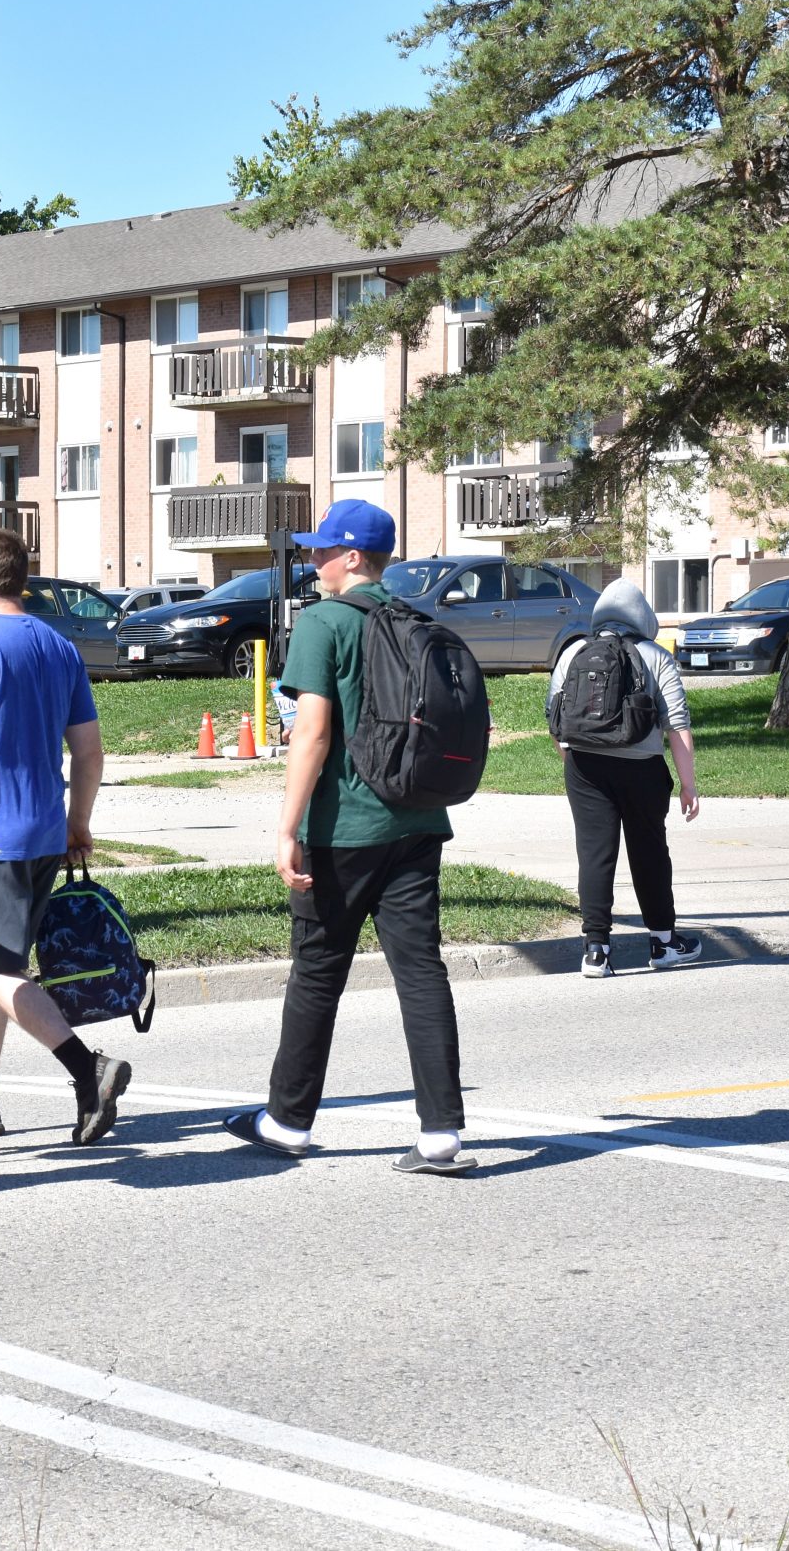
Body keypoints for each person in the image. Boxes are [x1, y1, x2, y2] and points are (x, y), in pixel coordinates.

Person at [224, 500, 475, 1175]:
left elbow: (310, 732)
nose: (313, 561)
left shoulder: (324, 622)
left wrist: (287, 827)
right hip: (418, 820)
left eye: (322, 550)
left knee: (317, 973)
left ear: (353, 557)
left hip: (343, 830)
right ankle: (441, 1135)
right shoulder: (415, 619)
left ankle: (287, 1121)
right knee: (421, 973)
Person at [0, 528, 130, 1145]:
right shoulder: (58, 645)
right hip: (44, 832)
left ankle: (87, 1069)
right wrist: (78, 821)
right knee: (3, 964)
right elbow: (88, 750)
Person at [546, 576, 703, 978]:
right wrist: (688, 785)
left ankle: (595, 951)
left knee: (594, 855)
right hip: (642, 769)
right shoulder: (656, 657)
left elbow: (555, 720)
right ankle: (664, 943)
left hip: (584, 767)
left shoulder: (573, 652)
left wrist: (572, 760)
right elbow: (677, 726)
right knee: (649, 852)